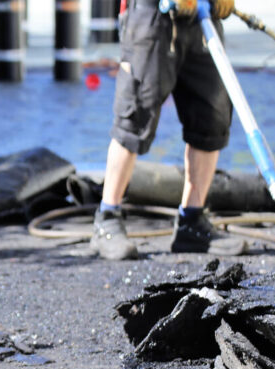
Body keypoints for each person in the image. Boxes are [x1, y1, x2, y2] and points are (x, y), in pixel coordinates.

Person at [91, 0, 245, 260]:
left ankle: (192, 223)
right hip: (152, 17)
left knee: (211, 119)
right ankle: (107, 218)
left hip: (202, 18)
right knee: (134, 117)